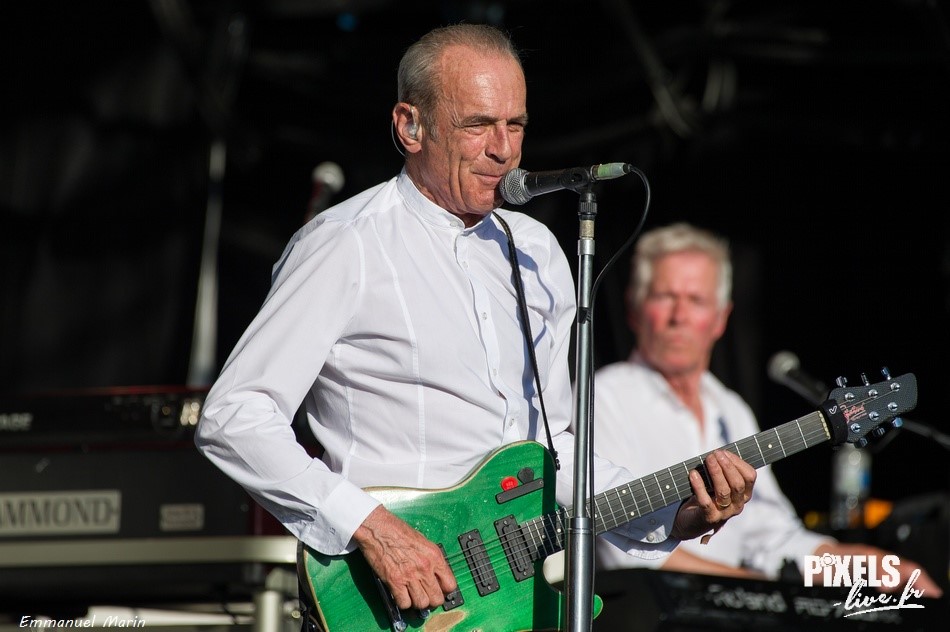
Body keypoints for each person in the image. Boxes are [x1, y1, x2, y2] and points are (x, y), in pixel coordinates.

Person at [194, 24, 758, 623]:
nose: (504, 149)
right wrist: (372, 527)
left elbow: (555, 451)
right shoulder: (346, 243)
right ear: (410, 127)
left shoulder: (538, 252)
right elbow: (235, 414)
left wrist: (675, 512)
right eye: (478, 125)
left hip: (513, 603)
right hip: (390, 599)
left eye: (516, 125)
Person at [585, 221, 942, 595]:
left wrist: (876, 569)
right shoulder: (603, 397)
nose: (680, 316)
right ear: (633, 309)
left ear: (721, 318)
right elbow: (617, 552)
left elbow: (775, 543)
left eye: (696, 300)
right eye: (664, 297)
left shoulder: (730, 409)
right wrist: (753, 590)